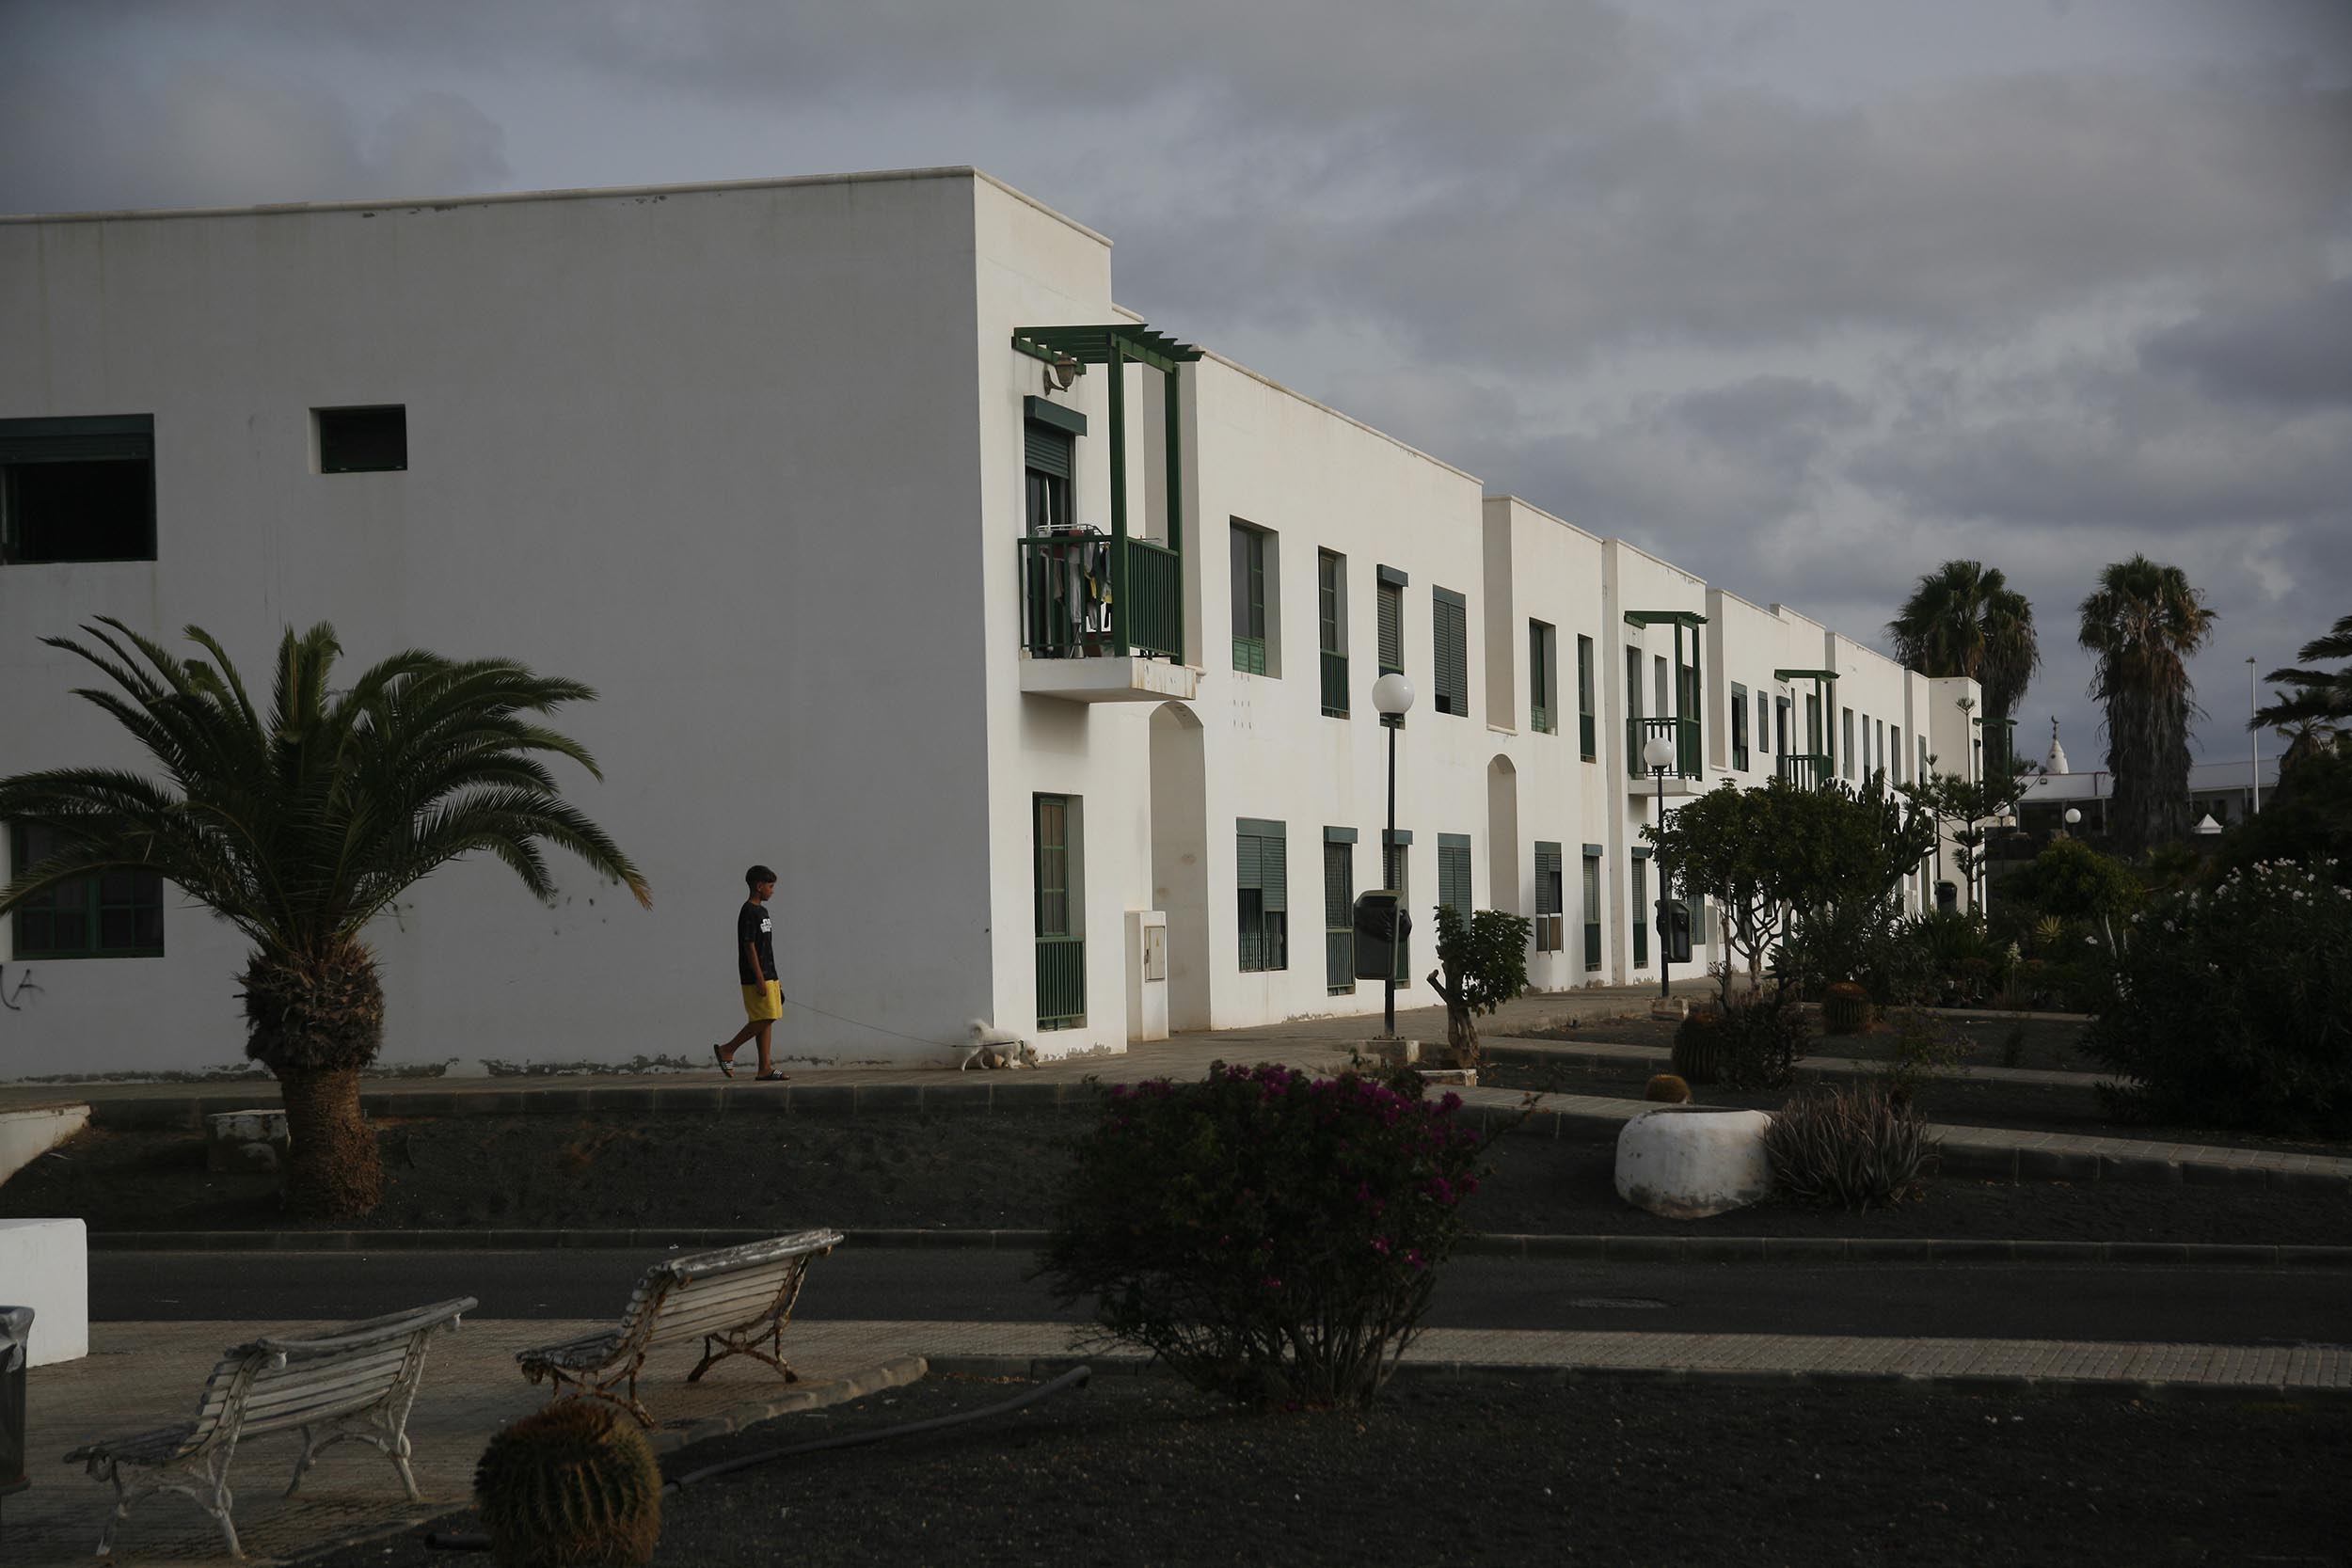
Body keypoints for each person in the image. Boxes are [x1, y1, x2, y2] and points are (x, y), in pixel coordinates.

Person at [713, 864, 787, 1081]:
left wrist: (775, 979)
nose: (772, 891)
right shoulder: (748, 911)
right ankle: (728, 1049)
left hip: (769, 974)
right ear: (759, 886)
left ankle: (764, 1067)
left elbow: (767, 947)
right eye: (770, 886)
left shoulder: (763, 911)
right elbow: (749, 946)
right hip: (756, 976)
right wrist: (759, 978)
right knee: (766, 1016)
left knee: (768, 1017)